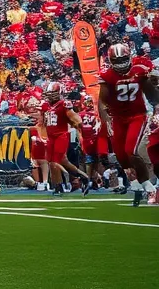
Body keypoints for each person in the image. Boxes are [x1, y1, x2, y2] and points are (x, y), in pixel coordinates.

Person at [97, 43, 159, 206]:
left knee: (131, 150)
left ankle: (150, 188)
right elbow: (102, 101)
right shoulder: (107, 75)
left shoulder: (139, 70)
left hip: (137, 115)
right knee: (121, 156)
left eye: (123, 59)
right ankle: (137, 185)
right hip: (117, 118)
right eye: (116, 61)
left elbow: (151, 93)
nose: (121, 64)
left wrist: (157, 105)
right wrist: (105, 118)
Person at [37, 81, 90, 195]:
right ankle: (82, 178)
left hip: (61, 135)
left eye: (52, 93)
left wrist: (80, 125)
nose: (50, 95)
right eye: (48, 93)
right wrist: (42, 136)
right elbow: (41, 122)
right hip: (51, 137)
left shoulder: (64, 104)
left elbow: (75, 117)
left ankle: (59, 187)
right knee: (56, 162)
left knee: (55, 162)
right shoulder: (45, 106)